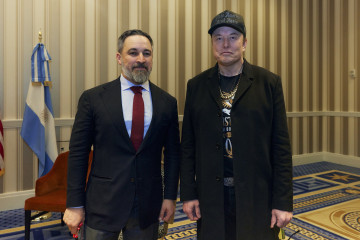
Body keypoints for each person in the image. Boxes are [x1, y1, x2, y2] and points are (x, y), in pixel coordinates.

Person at [180, 10, 293, 240]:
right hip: (211, 195)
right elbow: (188, 146)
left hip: (256, 194)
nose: (225, 44)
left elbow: (280, 147)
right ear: (212, 43)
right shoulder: (197, 85)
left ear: (244, 43)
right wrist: (189, 194)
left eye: (233, 37)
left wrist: (282, 201)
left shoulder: (268, 83)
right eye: (218, 38)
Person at [63, 29, 180, 240]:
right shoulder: (93, 99)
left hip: (147, 206)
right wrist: (74, 204)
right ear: (119, 57)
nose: (141, 59)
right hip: (103, 204)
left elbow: (173, 155)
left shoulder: (167, 103)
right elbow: (78, 154)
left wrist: (170, 197)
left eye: (147, 53)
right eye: (133, 52)